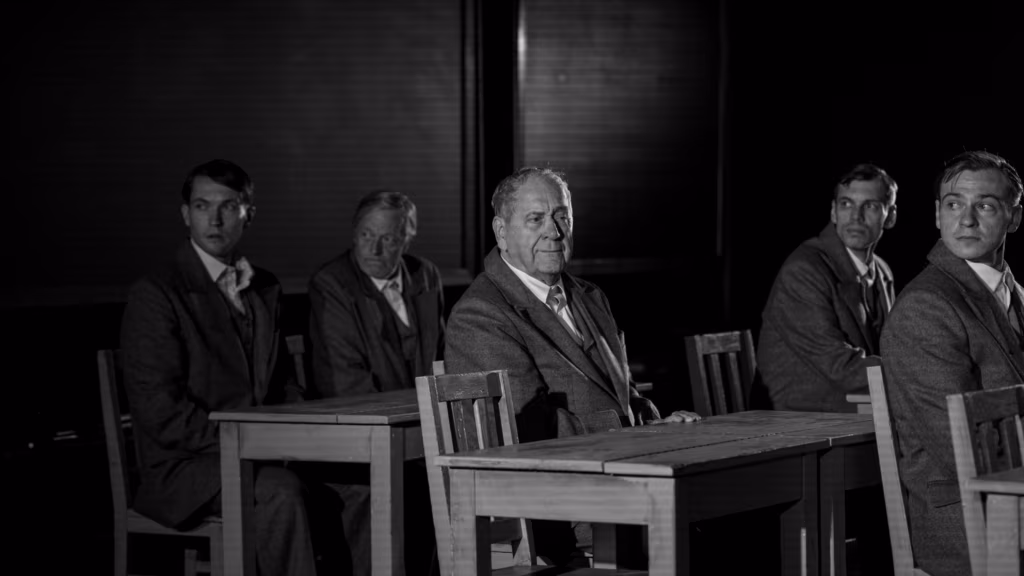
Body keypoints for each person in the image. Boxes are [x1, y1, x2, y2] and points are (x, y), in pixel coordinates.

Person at [445, 166, 698, 566]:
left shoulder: (590, 296)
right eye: (535, 219)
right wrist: (635, 436)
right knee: (701, 523)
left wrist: (657, 424)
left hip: (622, 479)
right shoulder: (479, 314)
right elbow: (531, 431)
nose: (554, 231)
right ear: (501, 232)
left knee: (730, 510)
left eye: (562, 217)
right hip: (558, 507)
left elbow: (624, 393)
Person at [120, 159, 319, 575]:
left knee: (351, 479)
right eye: (201, 206)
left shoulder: (264, 287)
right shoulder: (156, 294)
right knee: (281, 492)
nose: (214, 219)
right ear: (185, 214)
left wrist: (305, 434)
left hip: (259, 452)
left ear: (249, 214)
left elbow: (282, 383)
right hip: (184, 467)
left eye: (228, 206)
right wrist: (252, 444)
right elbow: (161, 413)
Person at [882, 150, 1024, 576]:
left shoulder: (1016, 295)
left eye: (985, 205)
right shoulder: (926, 306)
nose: (966, 220)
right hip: (970, 517)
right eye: (953, 204)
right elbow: (962, 448)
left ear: (1014, 217)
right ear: (937, 215)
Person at [758, 163, 898, 412]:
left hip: (861, 409)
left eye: (870, 206)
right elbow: (840, 367)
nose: (856, 217)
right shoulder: (803, 270)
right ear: (833, 212)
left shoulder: (882, 271)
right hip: (801, 420)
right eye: (846, 204)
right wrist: (919, 373)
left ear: (890, 216)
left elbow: (891, 348)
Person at [308, 189, 445, 398]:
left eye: (387, 239)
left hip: (432, 409)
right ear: (354, 234)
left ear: (406, 242)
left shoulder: (425, 275)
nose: (374, 250)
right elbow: (346, 382)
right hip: (370, 413)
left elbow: (444, 357)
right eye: (366, 235)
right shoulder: (331, 284)